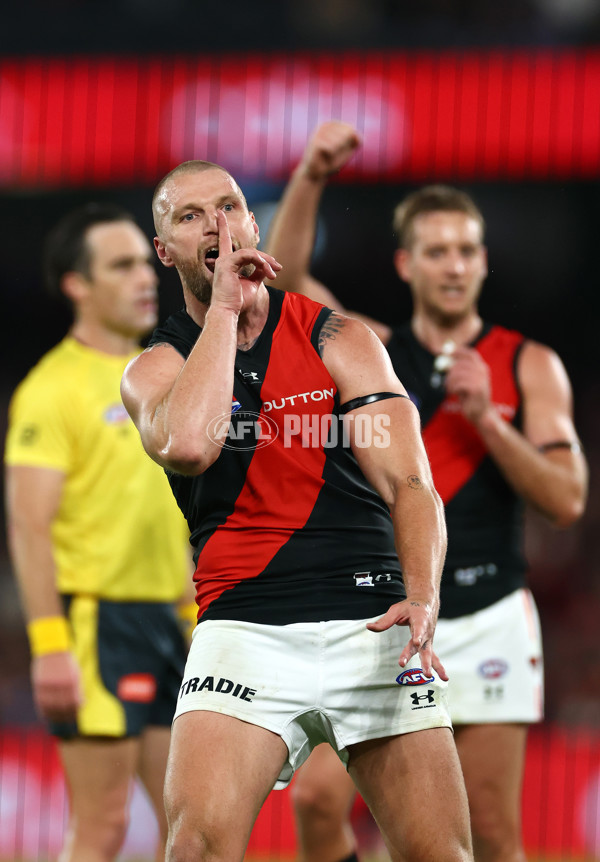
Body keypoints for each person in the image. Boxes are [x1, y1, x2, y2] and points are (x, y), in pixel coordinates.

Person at [119, 159, 474, 862]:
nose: (217, 225)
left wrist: (424, 594)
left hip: (372, 620)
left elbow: (411, 483)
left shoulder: (338, 338)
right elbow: (191, 445)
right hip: (245, 626)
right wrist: (223, 308)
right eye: (190, 217)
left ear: (255, 224)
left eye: (229, 207)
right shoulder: (153, 367)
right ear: (166, 253)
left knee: (443, 855)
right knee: (193, 849)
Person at [264, 121, 589, 862]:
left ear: (483, 262)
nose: (454, 265)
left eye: (467, 249)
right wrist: (312, 173)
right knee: (316, 802)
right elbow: (284, 289)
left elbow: (567, 500)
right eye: (437, 251)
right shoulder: (374, 351)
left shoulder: (529, 365)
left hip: (490, 615)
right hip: (393, 614)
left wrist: (490, 423)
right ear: (407, 264)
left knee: (493, 833)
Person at [4, 203, 194, 862]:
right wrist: (50, 643)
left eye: (146, 262)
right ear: (76, 285)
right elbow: (28, 526)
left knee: (193, 830)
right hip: (97, 627)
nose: (146, 277)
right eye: (121, 266)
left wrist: (196, 611)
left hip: (174, 623)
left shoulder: (164, 374)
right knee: (103, 827)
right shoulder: (51, 391)